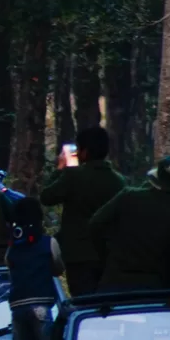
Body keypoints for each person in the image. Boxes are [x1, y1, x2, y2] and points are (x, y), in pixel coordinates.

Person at [40, 126, 126, 296]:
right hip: (109, 256)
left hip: (78, 256)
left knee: (83, 302)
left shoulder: (73, 176)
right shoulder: (119, 181)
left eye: (78, 150)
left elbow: (47, 197)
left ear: (85, 152)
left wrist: (60, 169)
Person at [89, 156, 170, 292]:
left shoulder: (128, 196)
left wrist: (107, 256)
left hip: (114, 283)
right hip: (155, 291)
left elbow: (95, 224)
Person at [5, 197, 65, 340]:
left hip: (17, 305)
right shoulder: (47, 242)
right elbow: (58, 267)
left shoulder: (12, 246)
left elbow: (9, 269)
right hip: (41, 305)